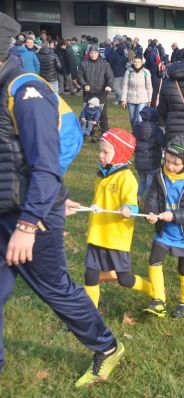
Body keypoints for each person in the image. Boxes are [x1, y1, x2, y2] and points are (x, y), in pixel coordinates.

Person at [0, 13, 123, 388]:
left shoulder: (25, 90)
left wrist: (27, 224)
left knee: (54, 288)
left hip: (30, 216)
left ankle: (106, 346)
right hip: (5, 209)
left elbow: (46, 165)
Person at [83, 128, 153, 309]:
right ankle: (89, 316)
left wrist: (127, 208)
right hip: (97, 235)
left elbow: (134, 205)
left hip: (116, 238)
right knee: (90, 275)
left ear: (120, 153)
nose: (100, 155)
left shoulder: (127, 178)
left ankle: (152, 290)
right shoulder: (101, 174)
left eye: (105, 152)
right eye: (101, 151)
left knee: (125, 279)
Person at [144, 136, 184, 318]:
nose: (170, 166)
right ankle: (158, 300)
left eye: (176, 163)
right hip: (164, 232)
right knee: (154, 260)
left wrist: (174, 216)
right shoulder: (159, 176)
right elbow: (152, 198)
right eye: (168, 161)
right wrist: (152, 213)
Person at [78, 45, 114, 132]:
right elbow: (80, 77)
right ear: (88, 53)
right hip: (88, 93)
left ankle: (105, 132)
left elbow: (110, 76)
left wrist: (109, 85)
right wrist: (84, 84)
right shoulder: (84, 63)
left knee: (102, 114)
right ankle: (87, 131)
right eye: (91, 53)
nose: (93, 55)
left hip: (101, 93)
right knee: (87, 113)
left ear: (98, 53)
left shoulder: (105, 64)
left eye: (95, 53)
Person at [133, 106, 163, 203]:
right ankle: (147, 203)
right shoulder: (158, 131)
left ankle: (137, 199)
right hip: (152, 163)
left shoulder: (137, 128)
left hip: (139, 162)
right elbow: (161, 141)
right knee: (150, 184)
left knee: (142, 181)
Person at [121, 56, 153, 128]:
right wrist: (123, 99)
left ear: (141, 63)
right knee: (132, 119)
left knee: (139, 119)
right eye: (135, 62)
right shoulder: (128, 71)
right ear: (133, 62)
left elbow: (149, 87)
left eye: (138, 62)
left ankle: (139, 134)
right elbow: (125, 86)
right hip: (130, 98)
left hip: (142, 98)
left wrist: (149, 100)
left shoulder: (146, 72)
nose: (137, 64)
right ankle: (134, 132)